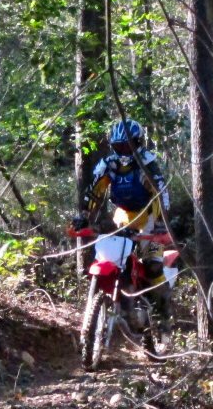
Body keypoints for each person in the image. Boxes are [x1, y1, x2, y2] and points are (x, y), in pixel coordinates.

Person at [72, 118, 173, 335]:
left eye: (128, 145)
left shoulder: (147, 163)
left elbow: (160, 193)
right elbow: (94, 191)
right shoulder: (110, 165)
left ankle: (163, 323)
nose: (124, 150)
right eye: (119, 146)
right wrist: (83, 216)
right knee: (115, 259)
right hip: (122, 217)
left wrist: (161, 225)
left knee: (154, 267)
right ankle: (114, 306)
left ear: (138, 143)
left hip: (149, 218)